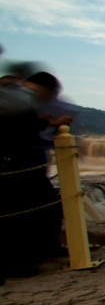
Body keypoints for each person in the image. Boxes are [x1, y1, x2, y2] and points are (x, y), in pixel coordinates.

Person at [1, 72, 68, 278]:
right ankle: (15, 264)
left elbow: (18, 124)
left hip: (23, 167)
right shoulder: (22, 95)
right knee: (20, 213)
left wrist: (48, 123)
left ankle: (44, 250)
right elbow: (15, 127)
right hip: (14, 166)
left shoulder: (20, 98)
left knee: (48, 206)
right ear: (48, 89)